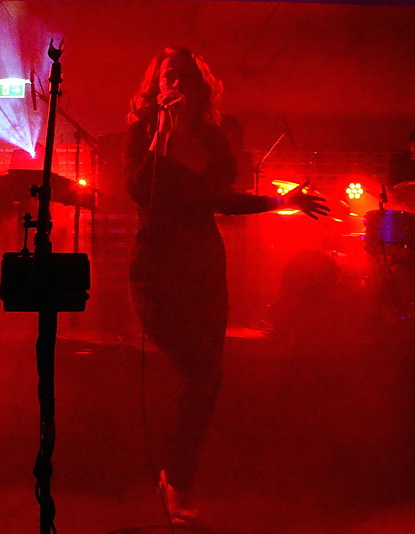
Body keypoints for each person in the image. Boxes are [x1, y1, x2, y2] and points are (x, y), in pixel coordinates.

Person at [124, 47, 329, 526]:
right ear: (156, 86)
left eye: (184, 77)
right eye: (168, 76)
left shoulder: (213, 138)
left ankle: (178, 479)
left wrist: (280, 202)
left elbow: (222, 201)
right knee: (191, 370)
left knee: (205, 377)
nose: (175, 84)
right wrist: (161, 138)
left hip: (201, 264)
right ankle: (169, 473)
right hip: (157, 263)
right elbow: (137, 189)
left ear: (199, 86)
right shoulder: (143, 131)